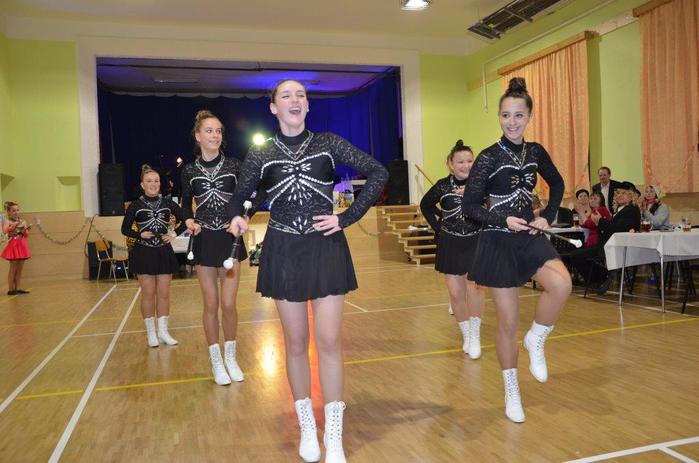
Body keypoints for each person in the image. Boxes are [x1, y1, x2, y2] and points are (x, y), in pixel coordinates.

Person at [227, 79, 388, 463]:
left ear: (307, 105)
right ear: (274, 108)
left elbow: (378, 172)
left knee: (329, 341)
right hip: (283, 251)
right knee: (296, 343)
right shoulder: (261, 153)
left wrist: (346, 217)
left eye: (300, 94)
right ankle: (306, 428)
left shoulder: (328, 143)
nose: (295, 100)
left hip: (325, 247)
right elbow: (241, 195)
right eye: (286, 95)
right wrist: (237, 216)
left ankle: (334, 435)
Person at [461, 77, 571, 423]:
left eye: (519, 115)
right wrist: (501, 218)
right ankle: (512, 390)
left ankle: (537, 337)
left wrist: (547, 216)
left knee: (562, 284)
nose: (512, 122)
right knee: (507, 322)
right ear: (499, 117)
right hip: (497, 240)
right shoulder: (488, 157)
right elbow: (469, 206)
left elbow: (558, 183)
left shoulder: (535, 151)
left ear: (529, 117)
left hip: (529, 236)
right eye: (506, 115)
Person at [181, 110, 248, 386]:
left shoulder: (234, 165)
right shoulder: (189, 170)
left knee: (229, 304)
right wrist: (188, 219)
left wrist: (243, 217)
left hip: (230, 239)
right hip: (205, 239)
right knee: (211, 304)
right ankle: (216, 361)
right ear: (198, 136)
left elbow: (248, 197)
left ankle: (231, 357)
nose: (215, 135)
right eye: (209, 131)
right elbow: (185, 204)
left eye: (218, 131)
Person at [420, 140, 485, 359]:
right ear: (450, 164)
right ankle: (466, 335)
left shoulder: (482, 184)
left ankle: (475, 335)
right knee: (456, 294)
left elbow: (493, 208)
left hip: (476, 241)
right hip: (450, 242)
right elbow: (425, 205)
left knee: (475, 288)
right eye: (460, 162)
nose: (466, 165)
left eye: (470, 161)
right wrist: (438, 227)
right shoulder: (442, 186)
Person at [121, 165, 187, 348]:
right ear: (142, 184)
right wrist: (139, 234)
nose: (153, 184)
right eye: (149, 181)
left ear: (160, 183)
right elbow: (124, 228)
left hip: (164, 251)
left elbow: (186, 218)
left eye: (156, 181)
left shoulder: (168, 203)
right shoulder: (135, 205)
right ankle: (151, 333)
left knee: (164, 294)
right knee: (148, 294)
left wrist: (174, 234)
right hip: (144, 252)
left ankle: (163, 332)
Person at [569, 182, 641, 293]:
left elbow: (618, 228)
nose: (619, 195)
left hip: (617, 247)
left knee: (576, 255)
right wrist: (600, 222)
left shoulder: (631, 210)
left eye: (624, 193)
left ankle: (598, 278)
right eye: (618, 193)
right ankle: (598, 278)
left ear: (631, 196)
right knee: (575, 255)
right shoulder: (621, 209)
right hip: (607, 245)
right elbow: (611, 227)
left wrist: (600, 221)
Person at [2, 201, 31, 295]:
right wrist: (13, 226)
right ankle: (11, 289)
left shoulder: (23, 221)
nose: (16, 212)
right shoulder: (7, 221)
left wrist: (24, 230)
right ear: (9, 212)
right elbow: (5, 231)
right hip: (13, 246)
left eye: (17, 210)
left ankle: (17, 288)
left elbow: (26, 235)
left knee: (19, 269)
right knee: (13, 268)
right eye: (13, 211)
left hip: (22, 245)